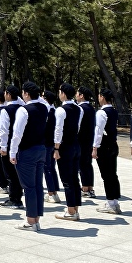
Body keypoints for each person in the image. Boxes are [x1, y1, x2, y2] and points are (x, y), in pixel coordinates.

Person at [9, 81, 48, 231]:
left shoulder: (24, 110)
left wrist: (12, 152)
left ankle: (31, 221)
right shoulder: (44, 108)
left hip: (27, 151)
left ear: (25, 94)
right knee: (38, 185)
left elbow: (17, 134)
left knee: (29, 187)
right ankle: (36, 218)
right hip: (41, 149)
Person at [53, 82, 84, 221]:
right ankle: (75, 208)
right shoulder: (79, 109)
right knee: (74, 178)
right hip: (76, 144)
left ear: (63, 93)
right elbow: (77, 127)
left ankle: (71, 211)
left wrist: (56, 148)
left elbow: (58, 130)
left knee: (66, 179)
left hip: (65, 146)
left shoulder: (61, 110)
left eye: (60, 91)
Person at [92, 88, 122, 214]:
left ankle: (110, 202)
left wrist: (94, 148)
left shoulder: (101, 112)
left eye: (99, 96)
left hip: (104, 146)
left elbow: (98, 131)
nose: (98, 98)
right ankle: (114, 201)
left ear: (103, 97)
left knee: (106, 175)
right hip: (113, 144)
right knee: (112, 174)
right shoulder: (114, 111)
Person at [0, 85, 25, 210]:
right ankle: (17, 196)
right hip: (20, 144)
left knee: (10, 173)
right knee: (17, 172)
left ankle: (14, 199)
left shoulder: (5, 110)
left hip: (9, 144)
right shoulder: (23, 108)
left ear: (8, 95)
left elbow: (3, 131)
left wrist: (3, 147)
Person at [76, 86, 96, 198]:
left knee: (82, 164)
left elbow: (78, 125)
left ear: (81, 95)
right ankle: (89, 187)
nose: (76, 95)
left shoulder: (81, 108)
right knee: (87, 164)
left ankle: (85, 188)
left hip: (81, 139)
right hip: (89, 139)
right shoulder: (91, 108)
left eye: (77, 93)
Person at [42, 90, 61, 204]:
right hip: (53, 143)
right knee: (52, 168)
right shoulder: (55, 110)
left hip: (47, 143)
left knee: (47, 168)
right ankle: (54, 193)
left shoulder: (47, 111)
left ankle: (51, 192)